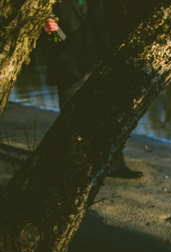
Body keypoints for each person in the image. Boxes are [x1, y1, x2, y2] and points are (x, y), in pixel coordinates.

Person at [43, 0, 143, 179]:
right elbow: (43, 23)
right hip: (68, 64)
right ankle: (71, 167)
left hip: (99, 60)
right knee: (70, 120)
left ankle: (115, 165)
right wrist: (49, 28)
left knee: (109, 115)